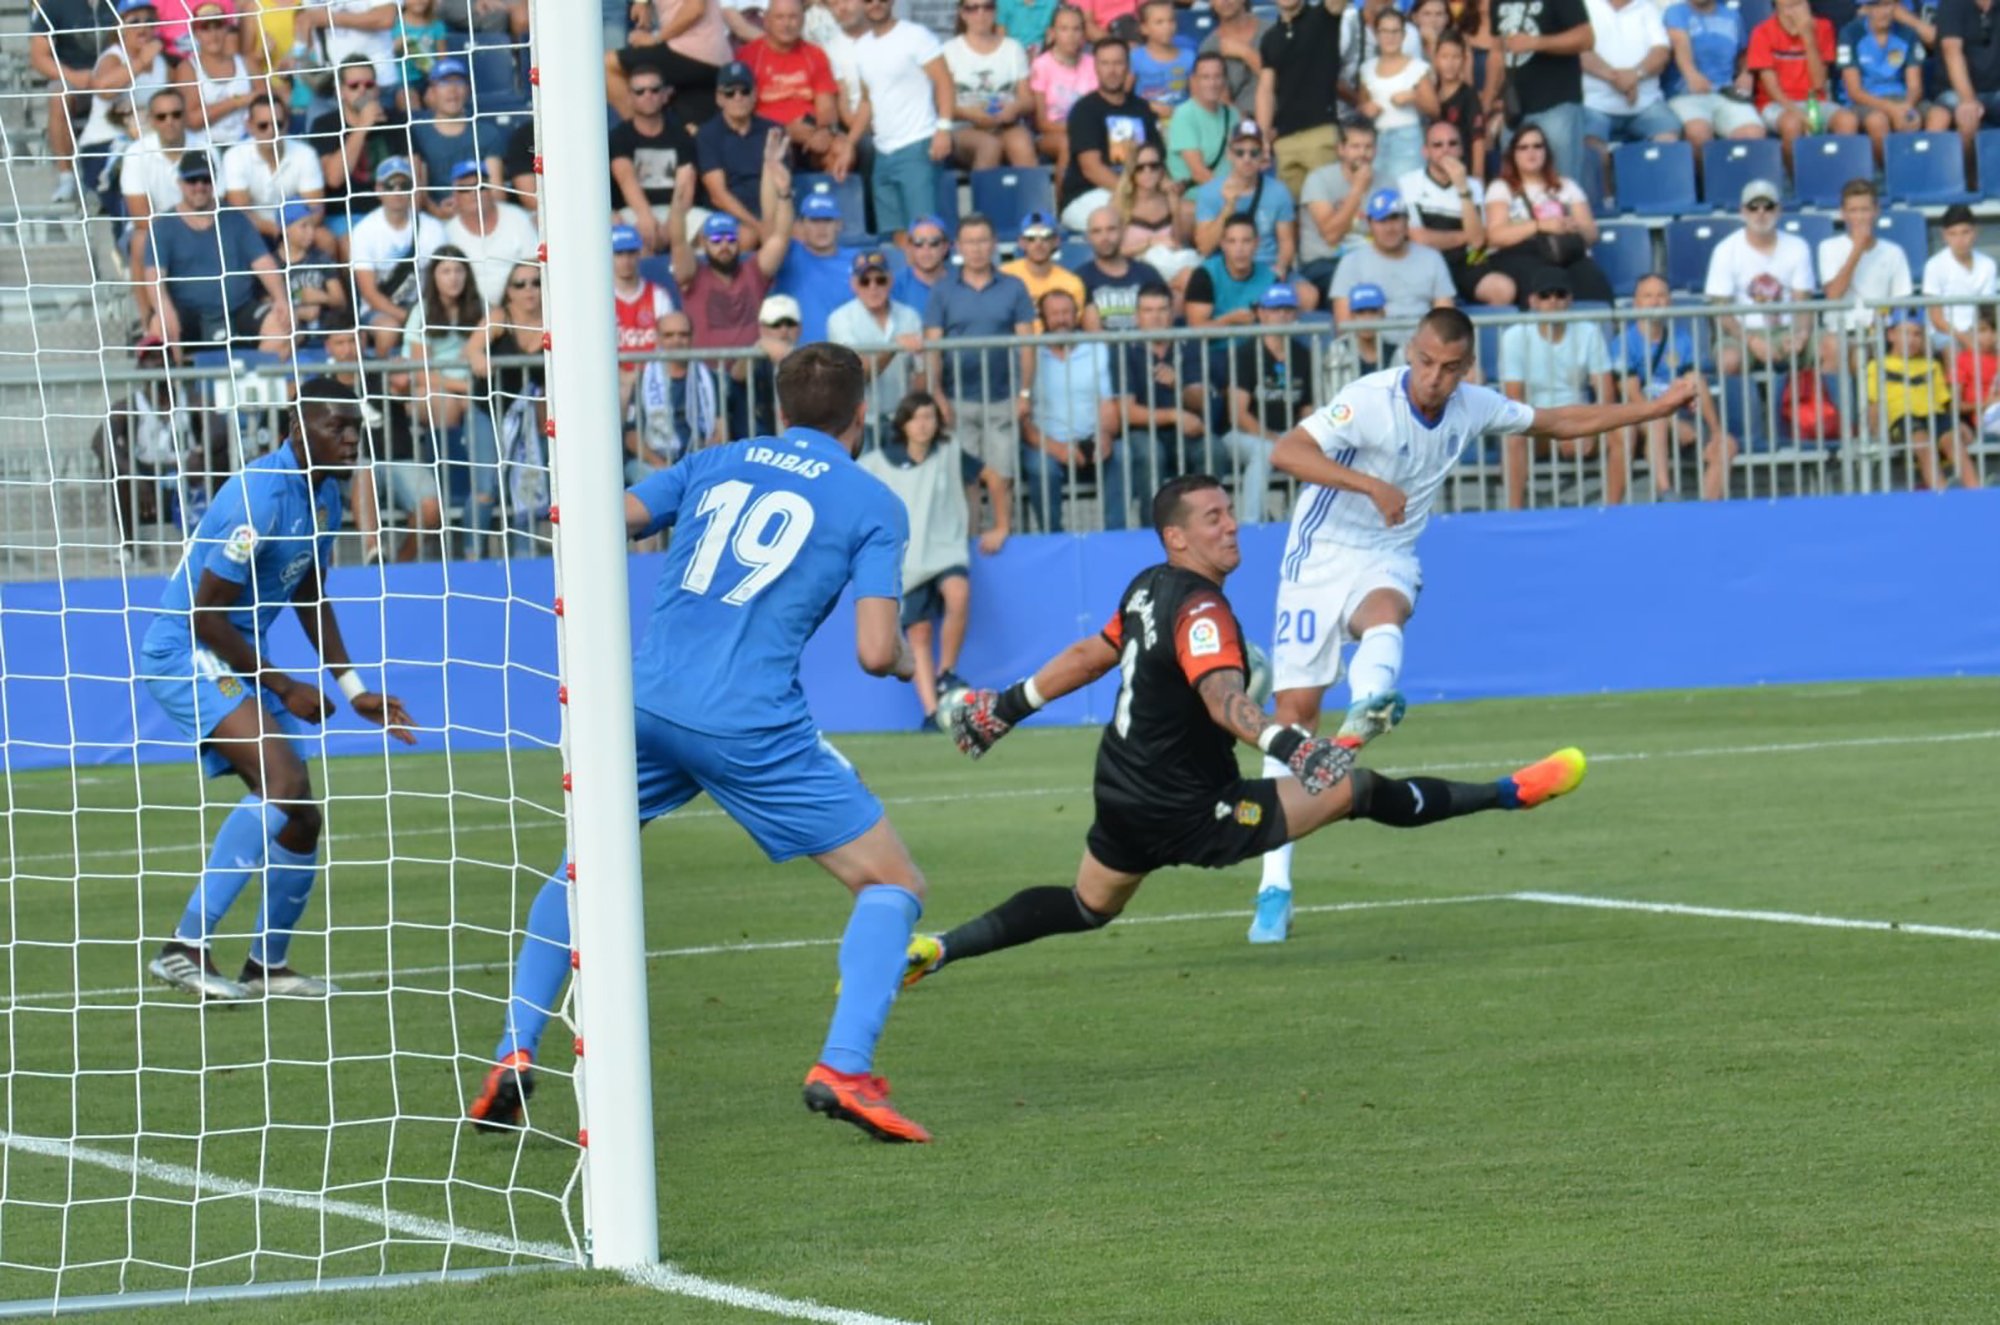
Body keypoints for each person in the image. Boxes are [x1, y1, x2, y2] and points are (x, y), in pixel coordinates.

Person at [466, 344, 943, 1145]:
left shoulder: (713, 460)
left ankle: (513, 1046)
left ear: (781, 410)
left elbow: (607, 516)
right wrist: (901, 657)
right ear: (861, 416)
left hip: (641, 700)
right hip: (748, 720)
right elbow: (872, 650)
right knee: (893, 882)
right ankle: (845, 1066)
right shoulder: (873, 502)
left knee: (582, 866)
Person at [918, 473, 1596, 981]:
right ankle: (1510, 792)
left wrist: (1007, 707)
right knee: (1354, 791)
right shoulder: (1201, 610)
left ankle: (939, 948)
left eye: (1230, 513)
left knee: (1089, 904)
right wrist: (1296, 747)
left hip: (1122, 790)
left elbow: (1091, 653)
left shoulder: (1148, 585)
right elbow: (1224, 700)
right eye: (1213, 518)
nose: (1232, 525)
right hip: (1189, 806)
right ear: (1177, 536)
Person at [1247, 308, 1699, 941]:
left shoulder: (1473, 405)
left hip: (1388, 551)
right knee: (1293, 717)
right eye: (1426, 362)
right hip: (1317, 558)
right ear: (1412, 350)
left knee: (1387, 611)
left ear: (1467, 367)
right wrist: (1368, 484)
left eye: (1449, 368)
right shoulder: (1368, 399)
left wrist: (1653, 409)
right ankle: (1275, 886)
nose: (1434, 377)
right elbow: (1288, 450)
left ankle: (1369, 706)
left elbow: (1559, 422)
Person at [139, 379, 416, 1000]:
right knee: (284, 783)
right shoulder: (257, 495)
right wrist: (286, 685)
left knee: (300, 818)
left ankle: (267, 966)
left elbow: (308, 589)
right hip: (186, 651)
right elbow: (204, 618)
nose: (350, 439)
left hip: (236, 658)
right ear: (296, 427)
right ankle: (183, 949)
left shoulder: (327, 495)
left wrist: (353, 686)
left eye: (356, 428)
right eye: (336, 427)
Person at [860, 391, 1007, 729]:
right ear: (903, 423)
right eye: (917, 418)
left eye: (930, 417)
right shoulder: (878, 462)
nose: (924, 424)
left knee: (958, 593)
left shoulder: (950, 452)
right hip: (907, 559)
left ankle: (946, 673)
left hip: (946, 549)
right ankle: (931, 713)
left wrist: (1001, 526)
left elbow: (995, 479)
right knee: (920, 634)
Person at [925, 213, 1036, 523]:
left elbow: (1028, 344)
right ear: (958, 246)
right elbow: (932, 346)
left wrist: (1025, 393)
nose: (976, 248)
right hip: (957, 399)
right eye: (970, 242)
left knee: (1002, 474)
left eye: (982, 240)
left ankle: (1004, 538)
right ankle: (970, 543)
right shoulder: (943, 290)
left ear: (994, 244)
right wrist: (937, 395)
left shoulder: (1014, 287)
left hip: (1003, 398)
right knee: (966, 477)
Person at [143, 152, 292, 356]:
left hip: (239, 309)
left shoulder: (236, 219)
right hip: (188, 313)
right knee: (160, 326)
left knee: (283, 325)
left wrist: (280, 299)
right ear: (180, 183)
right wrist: (163, 309)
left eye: (206, 180)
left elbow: (264, 263)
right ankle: (180, 388)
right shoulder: (163, 226)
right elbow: (153, 277)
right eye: (192, 180)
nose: (199, 186)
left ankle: (245, 382)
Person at [1499, 268, 1623, 507]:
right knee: (1513, 436)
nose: (1553, 301)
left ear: (1570, 299)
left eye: (1560, 294)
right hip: (1536, 422)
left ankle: (1612, 513)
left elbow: (1606, 394)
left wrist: (1588, 431)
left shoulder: (1589, 332)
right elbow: (1515, 401)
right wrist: (1558, 431)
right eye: (1545, 295)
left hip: (1580, 418)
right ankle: (1512, 516)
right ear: (1533, 301)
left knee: (1623, 432)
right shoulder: (1514, 336)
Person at [1617, 272, 1738, 502]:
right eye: (1648, 296)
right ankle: (1666, 492)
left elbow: (1697, 383)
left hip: (1680, 417)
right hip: (1643, 418)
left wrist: (1715, 431)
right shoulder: (1624, 341)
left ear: (1670, 301)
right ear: (1636, 303)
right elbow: (1631, 393)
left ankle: (1706, 512)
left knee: (1726, 445)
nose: (1655, 302)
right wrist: (1670, 420)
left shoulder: (1681, 339)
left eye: (1661, 295)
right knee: (1658, 422)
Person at [1021, 288, 1130, 530]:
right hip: (1045, 444)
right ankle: (1053, 539)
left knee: (1122, 455)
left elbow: (1107, 404)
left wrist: (1105, 434)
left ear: (1077, 315)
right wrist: (1056, 448)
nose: (1061, 319)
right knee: (1041, 468)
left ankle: (1116, 537)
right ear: (1043, 319)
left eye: (1067, 313)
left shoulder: (1096, 349)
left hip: (1090, 438)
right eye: (1055, 314)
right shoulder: (1030, 355)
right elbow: (1023, 420)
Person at [1203, 282, 1311, 523]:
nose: (1281, 316)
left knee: (1320, 451)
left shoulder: (1303, 353)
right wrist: (1276, 439)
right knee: (1266, 450)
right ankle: (1252, 523)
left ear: (1295, 314)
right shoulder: (1246, 353)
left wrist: (1298, 438)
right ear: (1261, 313)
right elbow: (1238, 414)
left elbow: (1307, 408)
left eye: (1286, 309)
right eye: (1275, 310)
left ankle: (1294, 521)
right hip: (1241, 435)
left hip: (1287, 434)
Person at [849, 0, 956, 240]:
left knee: (926, 235)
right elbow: (867, 102)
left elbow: (944, 81)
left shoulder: (916, 35)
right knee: (895, 237)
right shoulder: (861, 47)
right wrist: (848, 143)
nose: (875, 4)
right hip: (882, 153)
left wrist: (944, 129)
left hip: (918, 146)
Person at [670, 149, 796, 349]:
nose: (724, 246)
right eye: (717, 240)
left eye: (730, 238)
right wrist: (678, 202)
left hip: (751, 372)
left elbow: (781, 237)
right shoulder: (693, 276)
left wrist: (784, 193)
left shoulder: (754, 271)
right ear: (704, 243)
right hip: (709, 376)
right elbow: (678, 242)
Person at [1479, 123, 1612, 307]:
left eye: (1537, 146)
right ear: (1513, 155)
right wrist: (1540, 226)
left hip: (1566, 253)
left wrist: (1572, 226)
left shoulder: (1567, 185)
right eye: (1523, 148)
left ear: (1546, 152)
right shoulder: (1501, 188)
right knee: (1545, 280)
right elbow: (1495, 236)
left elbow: (1592, 234)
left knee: (1592, 279)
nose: (1531, 152)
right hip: (1521, 256)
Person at [1704, 178, 1816, 379]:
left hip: (1788, 330)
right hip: (1741, 334)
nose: (1761, 213)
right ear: (1743, 211)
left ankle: (1831, 410)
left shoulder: (1798, 246)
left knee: (1833, 347)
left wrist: (1801, 335)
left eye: (1768, 206)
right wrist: (1751, 341)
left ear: (1778, 210)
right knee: (1729, 360)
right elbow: (1721, 310)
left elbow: (1804, 302)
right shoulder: (1725, 250)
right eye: (1753, 207)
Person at [1398, 119, 1512, 307]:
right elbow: (1419, 238)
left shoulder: (1473, 186)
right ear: (1425, 151)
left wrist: (1462, 188)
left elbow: (1477, 242)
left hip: (1466, 263)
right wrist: (1465, 236)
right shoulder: (1408, 183)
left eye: (1453, 144)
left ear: (1461, 150)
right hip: (1425, 263)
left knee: (1503, 290)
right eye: (1437, 145)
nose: (1446, 150)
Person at [1865, 310, 1981, 489]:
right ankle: (1942, 499)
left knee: (1954, 444)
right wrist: (1877, 431)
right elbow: (1874, 402)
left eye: (1917, 334)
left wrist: (1958, 423)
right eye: (1905, 333)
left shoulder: (1932, 365)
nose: (1912, 340)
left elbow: (1944, 401)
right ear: (1891, 335)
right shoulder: (1877, 365)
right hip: (1902, 418)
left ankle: (1978, 497)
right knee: (1922, 443)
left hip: (1935, 414)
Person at [1058, 37, 1164, 227]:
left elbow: (1157, 159)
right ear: (1096, 67)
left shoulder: (1142, 108)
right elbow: (1092, 168)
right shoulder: (1084, 109)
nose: (1112, 70)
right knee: (1130, 223)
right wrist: (1132, 193)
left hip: (1138, 192)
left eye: (1118, 63)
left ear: (1128, 67)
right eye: (1105, 63)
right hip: (1088, 194)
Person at [740, 0, 852, 176]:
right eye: (780, 18)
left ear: (802, 21)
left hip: (810, 138)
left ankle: (825, 201)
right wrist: (785, 130)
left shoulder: (815, 55)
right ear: (767, 21)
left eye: (793, 17)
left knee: (840, 150)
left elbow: (827, 106)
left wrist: (824, 132)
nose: (787, 24)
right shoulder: (748, 56)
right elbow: (741, 109)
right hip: (765, 138)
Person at [348, 156, 447, 355]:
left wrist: (423, 314)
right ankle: (384, 381)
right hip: (381, 310)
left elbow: (442, 276)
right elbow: (369, 293)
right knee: (388, 329)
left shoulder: (433, 228)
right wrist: (409, 317)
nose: (397, 191)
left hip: (426, 305)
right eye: (390, 185)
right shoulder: (364, 231)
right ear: (378, 189)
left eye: (404, 185)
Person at [1747, 0, 1858, 171]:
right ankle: (1798, 182)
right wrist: (1797, 113)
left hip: (1815, 99)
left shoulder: (1823, 27)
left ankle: (1840, 175)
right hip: (1776, 103)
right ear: (1777, 8)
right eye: (1788, 7)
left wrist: (1808, 37)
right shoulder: (1762, 31)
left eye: (1799, 5)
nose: (1794, 12)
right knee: (1792, 125)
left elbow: (1819, 83)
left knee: (1848, 121)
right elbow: (1771, 88)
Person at [1490, 0, 1593, 183]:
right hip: (1515, 110)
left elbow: (1586, 38)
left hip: (1557, 103)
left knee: (1562, 185)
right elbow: (1497, 51)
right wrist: (1487, 100)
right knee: (1513, 186)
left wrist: (1537, 42)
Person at [1327, 188, 1455, 330]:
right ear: (1370, 224)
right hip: (1373, 348)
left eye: (1395, 219)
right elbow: (1344, 325)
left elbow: (1445, 319)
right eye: (1382, 221)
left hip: (1422, 346)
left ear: (1406, 222)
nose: (1389, 228)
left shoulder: (1432, 259)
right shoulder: (1350, 262)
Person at [1817, 178, 1912, 370]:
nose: (1859, 217)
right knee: (1833, 349)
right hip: (1840, 329)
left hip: (1879, 330)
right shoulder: (1828, 247)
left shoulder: (1894, 252)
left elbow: (1902, 300)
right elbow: (1834, 294)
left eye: (1865, 209)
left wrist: (1882, 320)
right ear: (1843, 214)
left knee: (1862, 357)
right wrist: (1857, 250)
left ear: (1876, 211)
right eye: (1853, 210)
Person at [1256, 0, 1346, 200]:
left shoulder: (1323, 16)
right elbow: (1265, 89)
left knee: (1328, 206)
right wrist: (1262, 138)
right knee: (1290, 216)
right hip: (1285, 139)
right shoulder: (1270, 38)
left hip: (1320, 132)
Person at [28, 0, 116, 206]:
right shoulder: (54, 4)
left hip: (116, 76)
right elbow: (38, 56)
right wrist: (72, 76)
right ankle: (66, 176)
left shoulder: (119, 3)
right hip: (74, 77)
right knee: (59, 96)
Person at [1841, 0, 1950, 164]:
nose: (1884, 12)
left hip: (1901, 98)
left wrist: (1907, 107)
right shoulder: (1850, 33)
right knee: (1877, 121)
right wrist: (1893, 110)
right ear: (1867, 9)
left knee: (1940, 115)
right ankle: (1888, 174)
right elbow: (1854, 91)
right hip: (1867, 100)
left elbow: (1915, 86)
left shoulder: (1907, 33)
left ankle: (1924, 166)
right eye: (1878, 6)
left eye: (1888, 5)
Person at [609, 65, 701, 255]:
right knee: (634, 241)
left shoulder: (681, 134)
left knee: (717, 235)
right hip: (633, 210)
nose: (648, 95)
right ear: (630, 97)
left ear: (665, 94)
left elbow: (686, 185)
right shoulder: (619, 136)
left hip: (676, 210)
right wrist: (645, 217)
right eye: (640, 91)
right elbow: (626, 180)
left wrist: (672, 226)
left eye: (654, 89)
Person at [828, 248, 928, 424]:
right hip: (859, 421)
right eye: (865, 281)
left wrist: (916, 414)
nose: (873, 287)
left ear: (890, 281)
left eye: (880, 280)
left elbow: (920, 372)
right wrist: (893, 347)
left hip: (902, 419)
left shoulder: (909, 316)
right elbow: (858, 373)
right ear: (854, 284)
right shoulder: (840, 319)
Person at [1191, 120, 1299, 283]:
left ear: (1263, 154)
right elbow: (1205, 248)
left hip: (1266, 266)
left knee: (1308, 295)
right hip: (1226, 269)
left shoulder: (1279, 191)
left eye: (1254, 153)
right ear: (1229, 154)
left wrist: (1281, 267)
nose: (1247, 159)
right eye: (1240, 153)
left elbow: (1286, 241)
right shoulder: (1209, 192)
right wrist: (1228, 206)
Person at [1119, 281, 1203, 486]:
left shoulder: (1188, 344)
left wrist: (1178, 386)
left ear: (1172, 314)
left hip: (1183, 430)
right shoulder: (1124, 349)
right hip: (1141, 432)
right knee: (1151, 454)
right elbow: (1127, 412)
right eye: (1148, 311)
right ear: (1137, 316)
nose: (1155, 317)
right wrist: (1175, 415)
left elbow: (1200, 402)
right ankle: (1153, 519)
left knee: (1213, 449)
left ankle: (1205, 516)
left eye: (1162, 310)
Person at [699, 61, 787, 248]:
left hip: (771, 210)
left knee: (801, 235)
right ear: (719, 98)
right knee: (744, 238)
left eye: (744, 91)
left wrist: (768, 224)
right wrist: (758, 226)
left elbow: (780, 183)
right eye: (730, 93)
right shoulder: (707, 134)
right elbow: (718, 195)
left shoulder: (774, 131)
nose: (738, 97)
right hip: (730, 216)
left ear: (755, 94)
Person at [1579, 0, 1681, 162]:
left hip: (1645, 104)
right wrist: (1619, 80)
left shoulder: (1648, 8)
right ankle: (1605, 188)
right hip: (1594, 104)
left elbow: (1661, 52)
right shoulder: (1583, 6)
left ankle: (1656, 187)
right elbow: (1580, 51)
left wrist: (1635, 75)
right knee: (1591, 147)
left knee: (1669, 138)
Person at [220, 95, 326, 246]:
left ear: (287, 124)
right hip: (252, 230)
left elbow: (316, 209)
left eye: (278, 124)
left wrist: (293, 231)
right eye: (263, 125)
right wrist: (276, 231)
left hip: (297, 228)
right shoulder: (234, 156)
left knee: (324, 239)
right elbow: (240, 212)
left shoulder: (305, 154)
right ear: (249, 126)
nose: (271, 131)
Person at [942, 0, 1038, 168]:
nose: (981, 13)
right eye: (973, 8)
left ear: (995, 11)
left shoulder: (1013, 48)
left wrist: (1014, 108)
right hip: (966, 126)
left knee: (1022, 144)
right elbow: (942, 104)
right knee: (989, 146)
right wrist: (972, 114)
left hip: (1006, 123)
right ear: (962, 13)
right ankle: (983, 195)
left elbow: (1028, 100)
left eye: (987, 7)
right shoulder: (949, 51)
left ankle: (1030, 194)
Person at [1663, 0, 1764, 155]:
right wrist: (1691, 73)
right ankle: (1704, 178)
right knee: (1699, 133)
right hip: (1686, 93)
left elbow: (1743, 53)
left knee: (1754, 134)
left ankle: (1735, 178)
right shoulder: (1676, 12)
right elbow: (1679, 44)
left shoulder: (1732, 16)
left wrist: (1746, 73)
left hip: (1726, 92)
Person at [407, 57, 501, 219]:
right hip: (433, 218)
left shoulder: (487, 133)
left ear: (468, 89)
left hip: (480, 215)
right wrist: (437, 212)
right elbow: (417, 189)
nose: (452, 90)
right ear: (431, 92)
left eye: (458, 82)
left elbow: (497, 191)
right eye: (444, 83)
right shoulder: (416, 132)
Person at [443, 162, 540, 309]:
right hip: (467, 312)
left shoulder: (517, 218)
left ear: (490, 190)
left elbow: (534, 267)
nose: (474, 193)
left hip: (517, 310)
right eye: (465, 189)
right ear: (455, 196)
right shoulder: (448, 231)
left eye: (480, 187)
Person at [1296, 121, 1375, 297]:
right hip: (1326, 262)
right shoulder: (1319, 180)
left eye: (1368, 147)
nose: (1363, 153)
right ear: (1341, 149)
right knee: (1353, 282)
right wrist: (1357, 190)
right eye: (1355, 147)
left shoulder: (1387, 181)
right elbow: (1331, 235)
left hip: (1371, 260)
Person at [1356, 8, 1429, 184]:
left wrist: (1414, 98)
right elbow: (1361, 107)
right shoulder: (1366, 68)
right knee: (1379, 197)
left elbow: (1435, 110)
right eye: (1385, 31)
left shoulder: (1417, 67)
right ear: (1376, 34)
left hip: (1409, 138)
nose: (1390, 37)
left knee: (1406, 194)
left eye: (1396, 31)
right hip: (1377, 140)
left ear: (1404, 35)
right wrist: (1366, 110)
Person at [1113, 143, 1200, 283]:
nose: (1148, 172)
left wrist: (1175, 208)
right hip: (1134, 273)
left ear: (1161, 170)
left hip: (1170, 270)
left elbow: (1177, 243)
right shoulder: (1120, 205)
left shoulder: (1169, 199)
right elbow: (1113, 252)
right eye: (1140, 168)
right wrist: (1150, 243)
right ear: (1132, 172)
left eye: (1153, 166)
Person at [1027, 4, 1096, 178]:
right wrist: (1079, 128)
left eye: (1076, 29)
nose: (1071, 36)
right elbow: (1041, 123)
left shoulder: (1092, 63)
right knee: (1069, 143)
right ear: (1053, 33)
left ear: (1083, 34)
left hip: (1088, 131)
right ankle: (1063, 200)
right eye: (1064, 29)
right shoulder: (1041, 65)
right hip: (1050, 135)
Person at [776, 191, 853, 342]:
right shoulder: (788, 254)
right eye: (814, 221)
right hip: (799, 357)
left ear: (839, 225)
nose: (821, 228)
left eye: (827, 220)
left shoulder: (857, 260)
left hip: (845, 355)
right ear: (800, 225)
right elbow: (772, 231)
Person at [1076, 203, 1165, 330]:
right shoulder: (1079, 279)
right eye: (1097, 231)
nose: (1105, 237)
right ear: (1088, 237)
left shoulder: (1147, 273)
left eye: (1111, 229)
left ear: (1123, 231)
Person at [1922, 203, 1997, 354]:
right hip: (1945, 332)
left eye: (1965, 232)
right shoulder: (1934, 265)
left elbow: (1987, 311)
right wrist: (1965, 339)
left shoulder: (1988, 265)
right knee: (1952, 348)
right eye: (1953, 233)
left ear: (1975, 232)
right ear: (1944, 236)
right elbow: (1937, 319)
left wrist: (1982, 336)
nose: (1960, 239)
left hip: (1979, 330)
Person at [1185, 213, 1280, 326]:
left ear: (1256, 243)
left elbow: (1280, 323)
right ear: (1223, 244)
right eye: (1232, 241)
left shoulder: (1271, 279)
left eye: (1246, 241)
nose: (1239, 249)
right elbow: (1196, 329)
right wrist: (1228, 321)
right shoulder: (1204, 275)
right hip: (1218, 344)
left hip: (1258, 343)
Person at [1167, 51, 1241, 186]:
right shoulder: (1184, 115)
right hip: (1199, 196)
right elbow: (1199, 173)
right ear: (1194, 81)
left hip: (1231, 190)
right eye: (1205, 77)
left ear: (1225, 80)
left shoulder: (1233, 114)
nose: (1212, 83)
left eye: (1217, 76)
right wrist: (1233, 194)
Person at [1938, 0, 2000, 158]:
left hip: (1995, 90)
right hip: (1956, 91)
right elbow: (1952, 51)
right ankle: (1967, 180)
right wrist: (1968, 99)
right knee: (1967, 117)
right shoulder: (1952, 4)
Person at [1201, 0, 1270, 119]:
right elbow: (1221, 102)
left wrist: (1245, 53)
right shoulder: (1209, 47)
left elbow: (1285, 81)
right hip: (1241, 126)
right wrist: (1250, 129)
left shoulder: (1272, 31)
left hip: (1284, 116)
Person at [1322, 280, 1394, 390]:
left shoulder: (1394, 351)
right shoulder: (1337, 351)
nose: (1367, 319)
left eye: (1373, 311)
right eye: (1361, 312)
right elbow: (1335, 398)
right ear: (1351, 316)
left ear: (1383, 314)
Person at [1131, 0, 1198, 117]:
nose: (1167, 27)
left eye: (1171, 21)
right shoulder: (1135, 58)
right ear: (1144, 28)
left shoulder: (1189, 58)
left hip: (1181, 121)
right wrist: (1149, 107)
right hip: (1146, 121)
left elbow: (1198, 98)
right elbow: (1124, 96)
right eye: (1159, 22)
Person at [892, 213, 953, 312]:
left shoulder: (961, 283)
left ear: (945, 247)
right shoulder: (894, 285)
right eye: (918, 243)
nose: (926, 249)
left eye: (934, 242)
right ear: (910, 247)